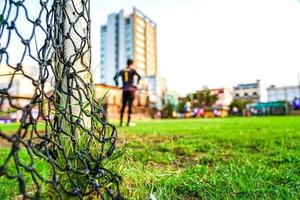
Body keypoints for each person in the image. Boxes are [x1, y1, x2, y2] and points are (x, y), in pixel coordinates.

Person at [114, 59, 141, 126]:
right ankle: (128, 122)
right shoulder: (132, 70)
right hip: (131, 90)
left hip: (124, 90)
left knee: (123, 105)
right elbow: (139, 77)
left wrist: (117, 84)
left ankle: (121, 122)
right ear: (131, 64)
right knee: (130, 105)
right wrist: (136, 84)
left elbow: (115, 78)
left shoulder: (122, 70)